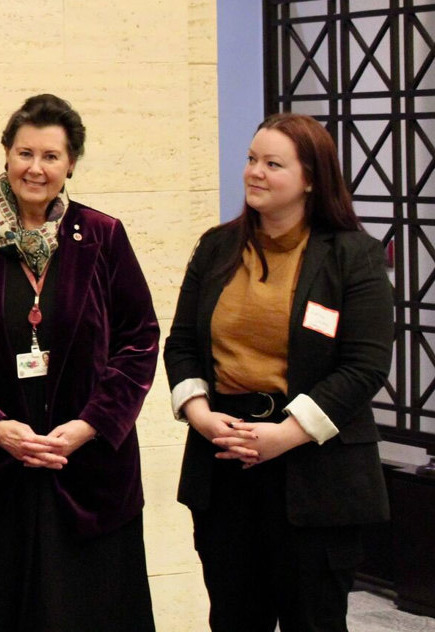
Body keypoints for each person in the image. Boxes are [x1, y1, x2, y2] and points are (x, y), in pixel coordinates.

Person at [0, 93, 159, 631]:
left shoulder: (103, 237)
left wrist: (89, 426)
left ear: (70, 163)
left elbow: (139, 341)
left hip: (86, 471)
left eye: (51, 156)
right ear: (6, 154)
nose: (36, 168)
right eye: (25, 153)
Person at [164, 113, 393, 631]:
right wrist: (200, 415)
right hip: (224, 460)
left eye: (272, 164)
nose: (254, 173)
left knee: (313, 620)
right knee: (234, 618)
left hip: (316, 469)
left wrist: (285, 435)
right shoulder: (216, 247)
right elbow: (181, 345)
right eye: (250, 160)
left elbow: (365, 366)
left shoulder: (353, 256)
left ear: (311, 178)